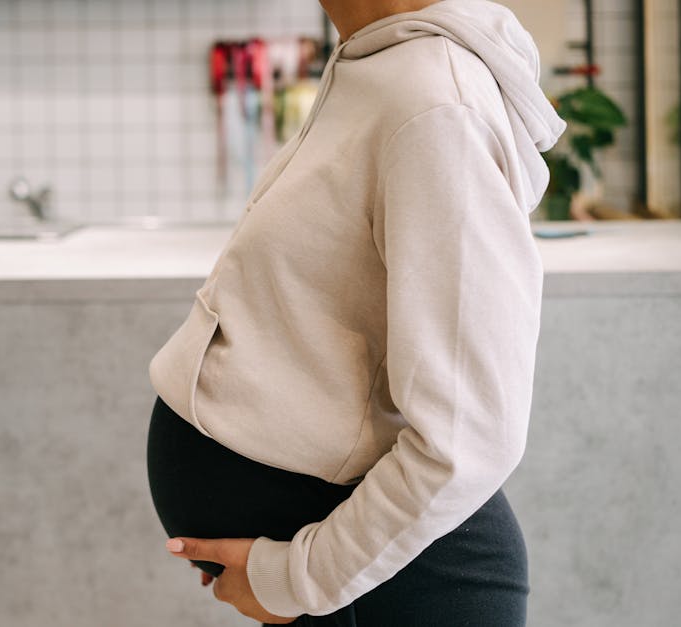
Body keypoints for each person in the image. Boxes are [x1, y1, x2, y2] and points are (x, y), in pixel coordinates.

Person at [146, 0, 567, 625]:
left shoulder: (435, 108)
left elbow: (470, 437)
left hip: (412, 588)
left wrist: (297, 579)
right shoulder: (378, 61)